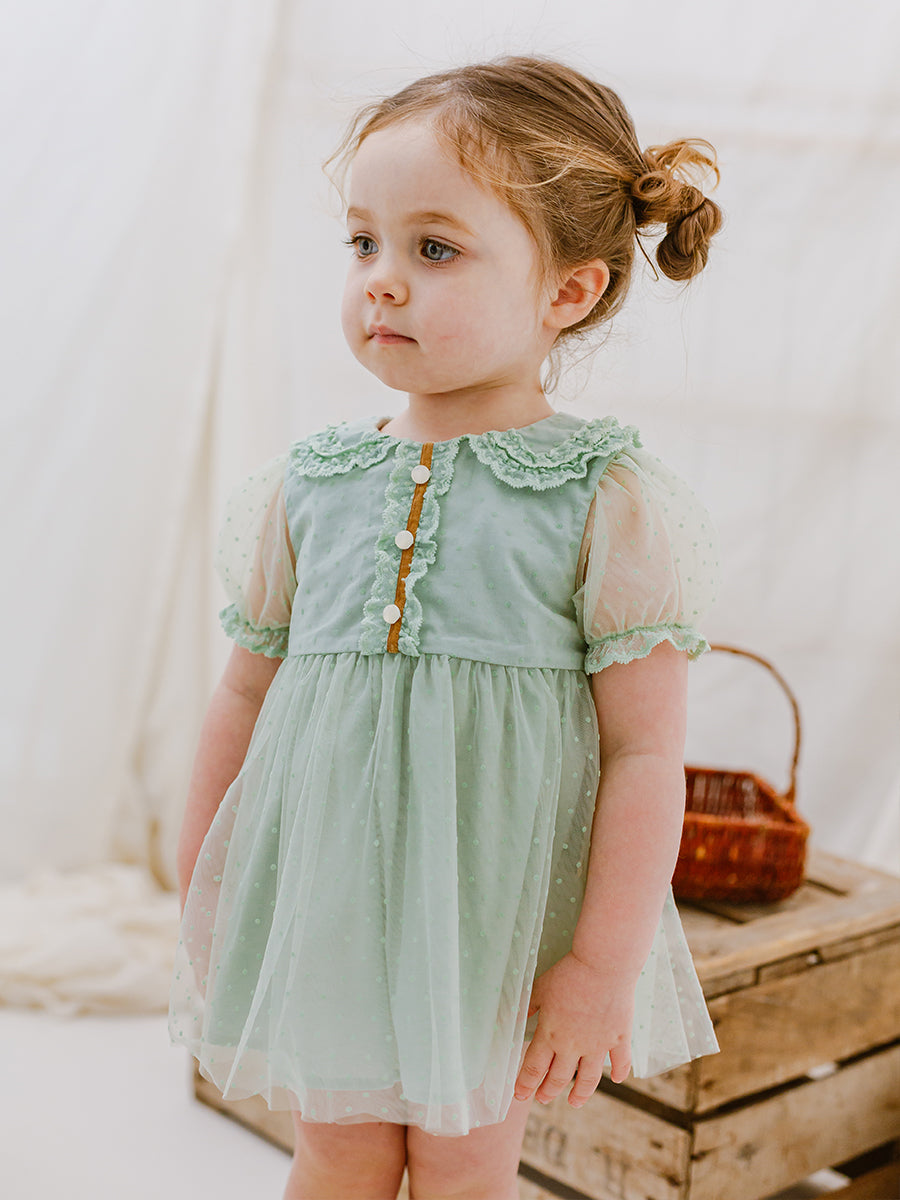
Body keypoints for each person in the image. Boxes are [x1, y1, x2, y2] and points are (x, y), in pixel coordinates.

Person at [168, 54, 723, 1200]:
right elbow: (245, 693)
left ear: (567, 291)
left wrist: (598, 966)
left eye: (434, 249)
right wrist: (204, 882)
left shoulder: (602, 496)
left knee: (467, 1162)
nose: (381, 281)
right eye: (362, 242)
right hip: (330, 897)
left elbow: (643, 751)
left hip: (493, 920)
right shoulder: (309, 484)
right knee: (337, 1151)